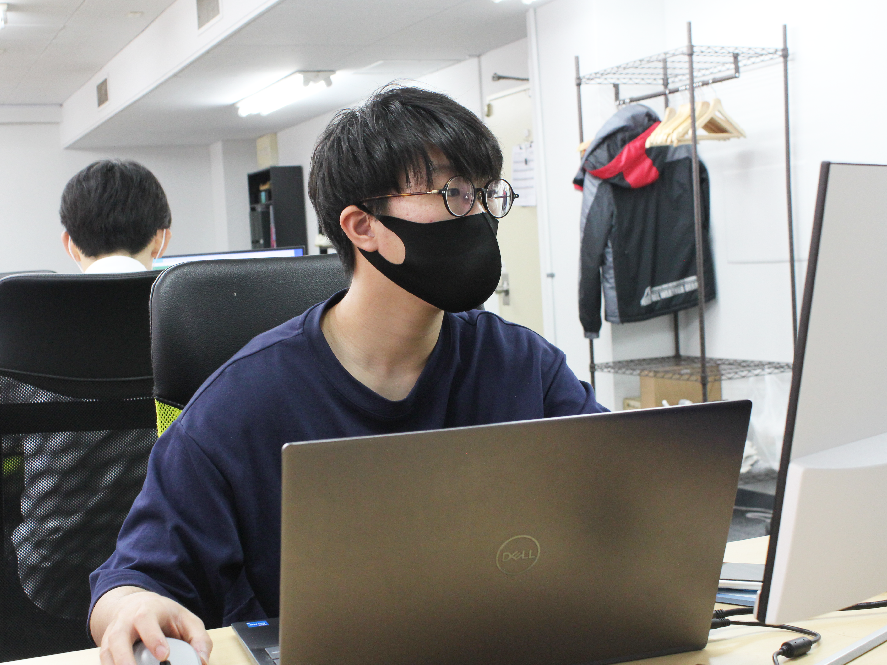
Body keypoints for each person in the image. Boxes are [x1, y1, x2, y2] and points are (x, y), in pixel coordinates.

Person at [89, 86, 606, 665]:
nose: (480, 215)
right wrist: (131, 606)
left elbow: (624, 490)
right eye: (455, 194)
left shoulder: (521, 363)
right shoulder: (241, 403)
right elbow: (129, 582)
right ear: (362, 226)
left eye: (486, 194)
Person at [0, 159, 172, 456]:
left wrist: (31, 431)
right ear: (160, 239)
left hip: (53, 487)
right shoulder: (188, 315)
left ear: (70, 244)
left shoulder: (26, 315)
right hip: (165, 488)